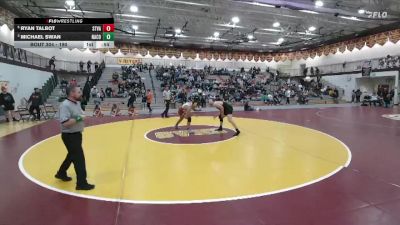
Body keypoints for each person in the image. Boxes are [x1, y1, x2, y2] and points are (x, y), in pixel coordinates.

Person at [55, 86, 95, 190]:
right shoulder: (65, 105)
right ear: (72, 93)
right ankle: (81, 183)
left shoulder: (77, 103)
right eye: (79, 92)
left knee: (71, 156)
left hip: (77, 134)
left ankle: (61, 173)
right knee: (79, 159)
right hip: (69, 135)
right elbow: (65, 123)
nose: (81, 93)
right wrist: (79, 118)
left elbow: (80, 114)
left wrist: (82, 116)